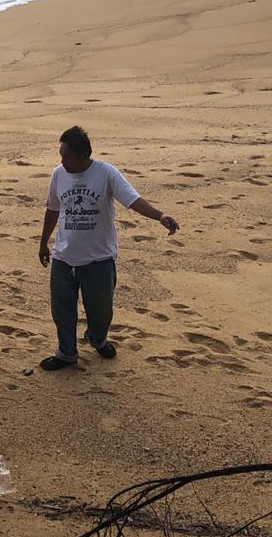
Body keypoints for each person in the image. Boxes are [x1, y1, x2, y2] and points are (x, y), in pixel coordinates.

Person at [38, 126, 180, 371]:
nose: (62, 161)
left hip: (99, 260)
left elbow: (132, 200)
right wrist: (43, 243)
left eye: (67, 156)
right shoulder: (58, 174)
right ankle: (66, 353)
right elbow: (52, 209)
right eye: (61, 155)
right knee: (62, 311)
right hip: (64, 257)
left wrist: (160, 216)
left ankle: (98, 339)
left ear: (84, 155)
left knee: (101, 312)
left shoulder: (106, 173)